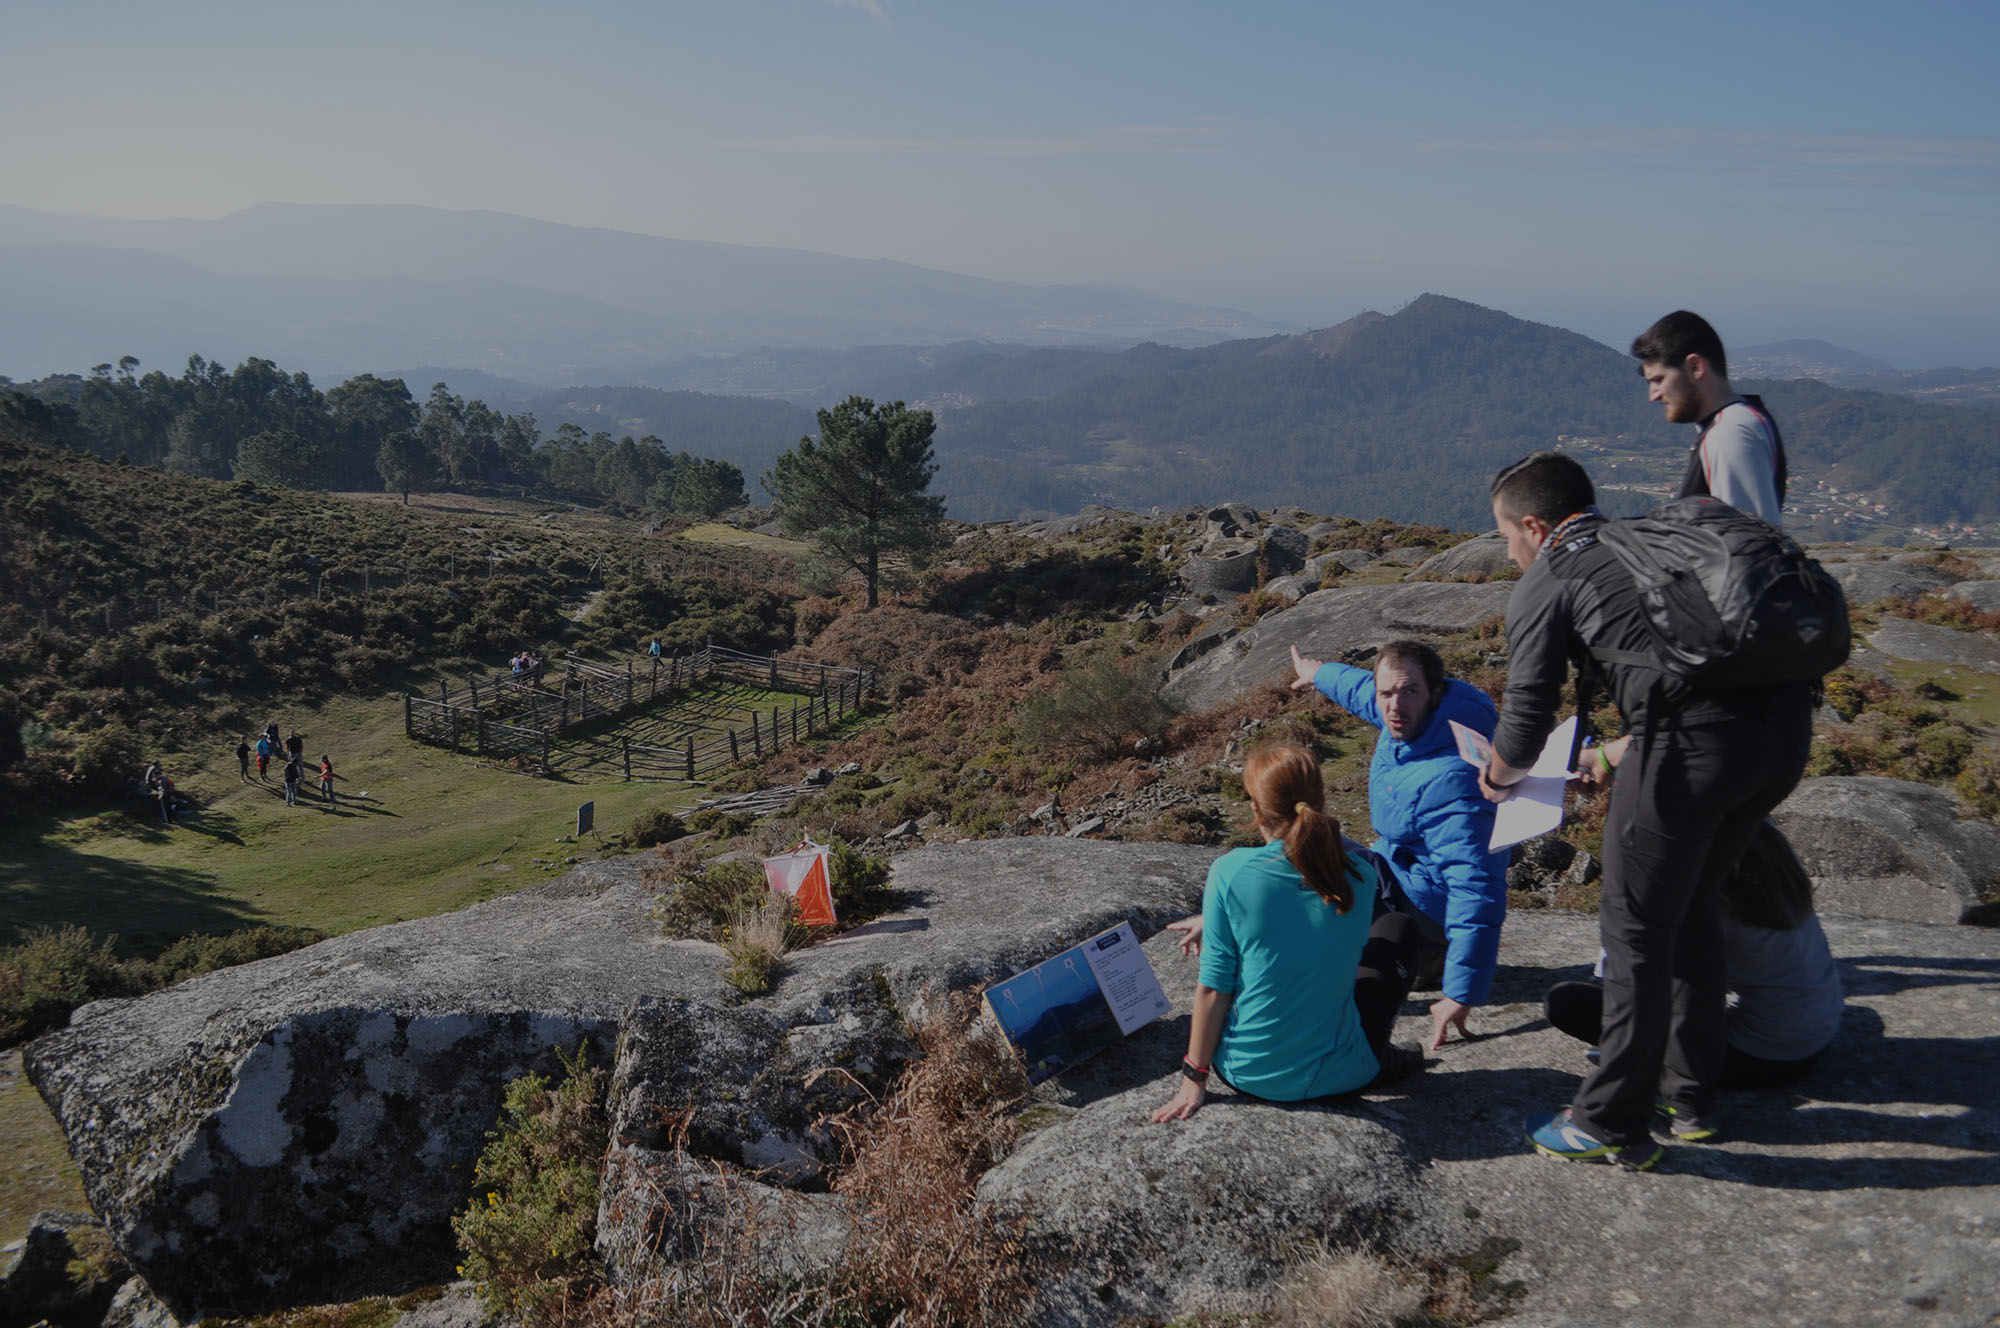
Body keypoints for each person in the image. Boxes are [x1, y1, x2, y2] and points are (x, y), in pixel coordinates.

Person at [1484, 451, 1813, 1169]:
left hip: (1690, 753)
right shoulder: (1646, 545)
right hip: (1782, 741)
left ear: (1535, 526)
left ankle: (1609, 1119)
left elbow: (1526, 718)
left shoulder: (1552, 574)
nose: (1510, 553)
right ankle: (1688, 1096)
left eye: (1508, 537)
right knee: (1689, 905)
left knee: (1634, 927)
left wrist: (1496, 775)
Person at [1151, 743, 1427, 1123]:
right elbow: (1318, 934)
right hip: (1344, 1076)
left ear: (1256, 809)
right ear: (1321, 800)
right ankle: (1377, 1056)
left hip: (1247, 1076)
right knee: (1400, 929)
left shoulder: (1230, 872)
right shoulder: (1361, 876)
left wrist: (1193, 1078)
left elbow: (1215, 988)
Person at [1288, 640, 1509, 1051]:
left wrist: (1462, 993)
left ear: (1435, 693)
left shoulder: (1453, 780)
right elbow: (1361, 690)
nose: (1394, 705)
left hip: (1424, 932)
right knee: (1312, 844)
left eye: (1409, 691)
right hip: (1404, 879)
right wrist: (1318, 673)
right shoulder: (1423, 720)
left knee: (1309, 850)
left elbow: (1476, 887)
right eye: (1386, 693)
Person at [1542, 820, 1844, 1092]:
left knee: (1567, 1003)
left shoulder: (1710, 895)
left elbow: (1662, 985)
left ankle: (1654, 1074)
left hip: (1763, 1057)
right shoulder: (1764, 845)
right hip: (1818, 1030)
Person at [1631, 310, 1786, 525]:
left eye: (1659, 379)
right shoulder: (1741, 419)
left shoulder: (1729, 434)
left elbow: (1747, 544)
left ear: (1695, 367)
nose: (1653, 395)